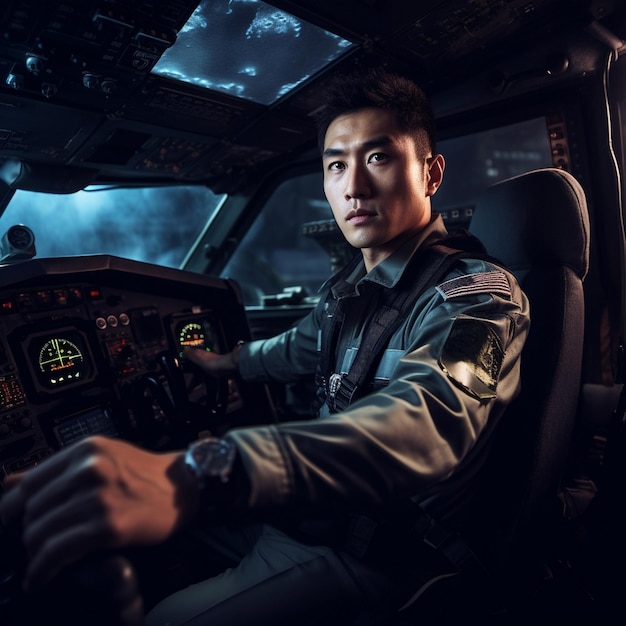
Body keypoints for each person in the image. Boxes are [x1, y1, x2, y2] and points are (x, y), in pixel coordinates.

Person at [0, 67, 530, 625]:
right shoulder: (351, 291)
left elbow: (426, 424)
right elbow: (298, 348)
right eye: (335, 164)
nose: (354, 186)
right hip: (316, 510)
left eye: (378, 157)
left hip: (374, 548)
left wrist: (208, 472)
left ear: (431, 172)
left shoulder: (477, 299)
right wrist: (222, 362)